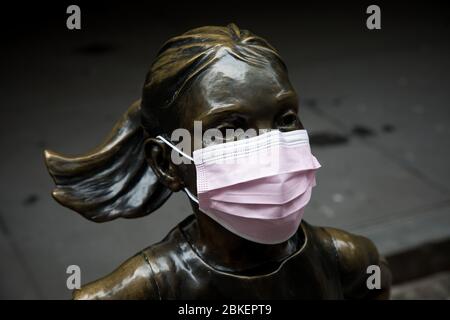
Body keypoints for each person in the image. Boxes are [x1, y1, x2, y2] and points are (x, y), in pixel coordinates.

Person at [45, 24, 391, 299]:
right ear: (167, 163)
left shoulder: (351, 261)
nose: (271, 148)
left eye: (285, 118)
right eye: (230, 129)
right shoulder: (132, 295)